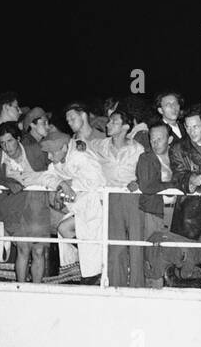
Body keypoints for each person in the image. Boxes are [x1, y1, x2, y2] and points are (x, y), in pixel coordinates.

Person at [0, 121, 51, 284]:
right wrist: (7, 183)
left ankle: (36, 288)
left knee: (39, 251)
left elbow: (58, 159)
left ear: (18, 139)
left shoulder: (36, 150)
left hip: (37, 205)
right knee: (23, 248)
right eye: (2, 143)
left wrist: (79, 144)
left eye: (10, 141)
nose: (6, 147)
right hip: (13, 206)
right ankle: (20, 288)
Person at [39, 130, 106, 282]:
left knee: (86, 241)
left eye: (51, 153)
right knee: (67, 231)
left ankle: (96, 273)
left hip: (94, 206)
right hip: (80, 207)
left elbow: (98, 181)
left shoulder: (80, 156)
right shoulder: (58, 159)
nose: (49, 157)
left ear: (63, 148)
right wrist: (61, 184)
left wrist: (69, 184)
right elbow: (46, 176)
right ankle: (89, 269)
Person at [92, 109, 146, 287]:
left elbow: (147, 174)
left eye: (113, 122)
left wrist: (138, 182)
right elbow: (79, 145)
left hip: (132, 198)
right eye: (109, 121)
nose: (108, 124)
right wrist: (80, 145)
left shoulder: (137, 149)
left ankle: (138, 287)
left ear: (125, 126)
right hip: (111, 197)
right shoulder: (100, 145)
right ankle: (116, 286)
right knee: (115, 247)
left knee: (136, 244)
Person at [170, 108, 201, 243]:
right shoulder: (178, 148)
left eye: (195, 127)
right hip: (193, 209)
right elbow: (177, 175)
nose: (191, 132)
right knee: (192, 254)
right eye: (188, 127)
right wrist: (190, 178)